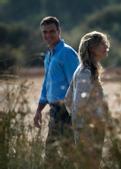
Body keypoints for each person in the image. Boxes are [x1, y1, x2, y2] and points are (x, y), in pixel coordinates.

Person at [33, 16, 79, 166]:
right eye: (45, 32)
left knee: (66, 152)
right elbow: (47, 84)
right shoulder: (49, 55)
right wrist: (39, 109)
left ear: (59, 31)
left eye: (52, 31)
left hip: (66, 110)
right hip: (54, 110)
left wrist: (74, 112)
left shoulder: (66, 53)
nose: (48, 35)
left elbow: (76, 84)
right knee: (52, 153)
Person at [64, 31, 110, 167]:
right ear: (92, 48)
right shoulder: (86, 72)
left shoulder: (86, 69)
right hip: (89, 130)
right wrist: (84, 127)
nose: (106, 46)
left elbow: (68, 99)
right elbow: (78, 104)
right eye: (102, 44)